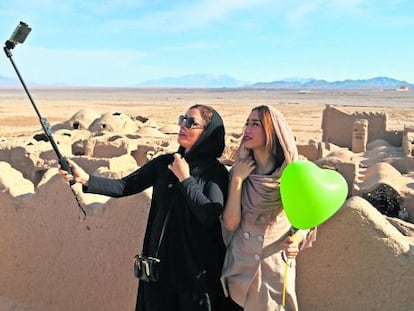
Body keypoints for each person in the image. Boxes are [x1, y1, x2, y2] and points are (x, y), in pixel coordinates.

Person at [60, 104, 229, 311]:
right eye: (182, 119)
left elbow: (208, 213)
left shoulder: (214, 173)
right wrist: (85, 179)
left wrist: (185, 179)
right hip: (160, 273)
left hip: (194, 278)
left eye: (191, 122)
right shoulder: (165, 163)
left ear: (208, 133)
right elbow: (125, 185)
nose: (183, 126)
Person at [220, 105, 317, 311]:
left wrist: (297, 240)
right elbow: (230, 223)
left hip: (273, 273)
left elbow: (308, 217)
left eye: (255, 124)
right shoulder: (239, 170)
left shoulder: (292, 176)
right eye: (247, 123)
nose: (247, 129)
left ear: (272, 131)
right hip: (239, 269)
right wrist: (237, 181)